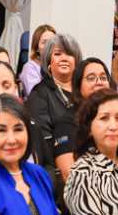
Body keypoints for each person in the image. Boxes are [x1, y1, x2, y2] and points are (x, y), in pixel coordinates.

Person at [25, 32, 81, 177]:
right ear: (48, 62)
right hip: (57, 170)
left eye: (69, 54)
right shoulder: (39, 94)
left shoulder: (84, 91)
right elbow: (43, 142)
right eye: (57, 54)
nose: (64, 58)